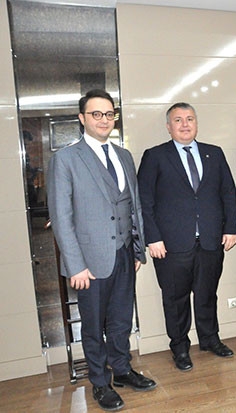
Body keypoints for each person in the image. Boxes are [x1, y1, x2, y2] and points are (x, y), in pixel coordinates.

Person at [48, 89, 156, 411]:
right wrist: (75, 265)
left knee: (121, 319)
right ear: (82, 118)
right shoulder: (66, 159)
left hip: (124, 254)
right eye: (96, 114)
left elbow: (134, 207)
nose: (104, 120)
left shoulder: (124, 156)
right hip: (89, 262)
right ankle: (99, 382)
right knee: (93, 326)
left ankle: (121, 370)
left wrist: (137, 250)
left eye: (109, 114)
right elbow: (61, 217)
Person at [137, 102, 236, 372]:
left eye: (190, 119)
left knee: (207, 294)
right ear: (168, 126)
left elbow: (228, 193)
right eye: (178, 120)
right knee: (175, 299)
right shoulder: (155, 156)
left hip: (210, 240)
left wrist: (231, 228)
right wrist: (152, 238)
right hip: (170, 245)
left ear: (196, 123)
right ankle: (180, 347)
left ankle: (210, 339)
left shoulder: (214, 153)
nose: (185, 124)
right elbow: (144, 202)